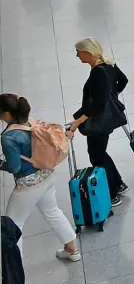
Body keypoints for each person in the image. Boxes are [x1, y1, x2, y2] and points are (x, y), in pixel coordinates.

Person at [0, 94, 80, 263]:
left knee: (13, 226)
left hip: (29, 184)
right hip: (47, 174)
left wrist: (1, 164)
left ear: (6, 114)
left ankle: (15, 270)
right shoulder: (30, 121)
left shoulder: (8, 137)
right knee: (53, 212)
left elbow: (15, 167)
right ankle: (72, 250)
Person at [66, 39, 128, 206]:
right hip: (107, 118)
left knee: (97, 156)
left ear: (88, 53)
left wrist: (78, 121)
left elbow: (97, 104)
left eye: (78, 52)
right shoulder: (109, 64)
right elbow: (123, 80)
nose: (77, 55)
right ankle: (118, 183)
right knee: (100, 152)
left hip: (99, 121)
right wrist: (112, 95)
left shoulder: (98, 72)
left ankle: (113, 193)